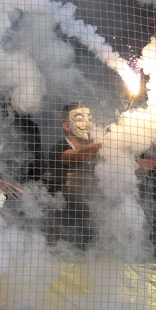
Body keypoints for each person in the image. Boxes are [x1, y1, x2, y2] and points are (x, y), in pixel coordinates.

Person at [43, 103, 102, 248]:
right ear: (67, 126)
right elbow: (79, 156)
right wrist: (110, 140)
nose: (87, 123)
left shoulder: (99, 153)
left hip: (89, 224)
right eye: (80, 118)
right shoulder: (59, 148)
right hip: (63, 227)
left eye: (89, 118)